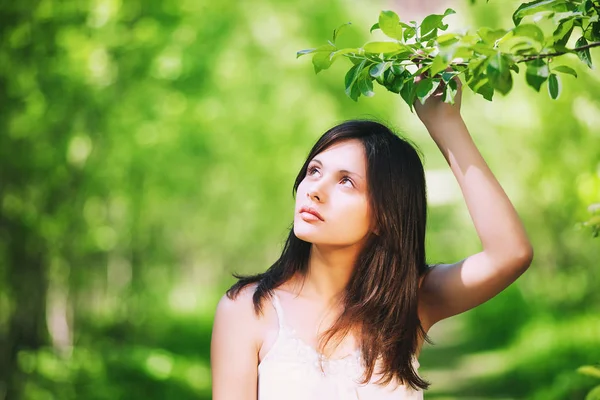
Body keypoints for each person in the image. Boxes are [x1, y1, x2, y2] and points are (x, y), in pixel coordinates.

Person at [210, 76, 534, 399]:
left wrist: (445, 121)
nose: (315, 190)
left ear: (384, 216)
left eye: (346, 182)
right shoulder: (247, 310)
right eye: (314, 171)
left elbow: (511, 253)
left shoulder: (411, 302)